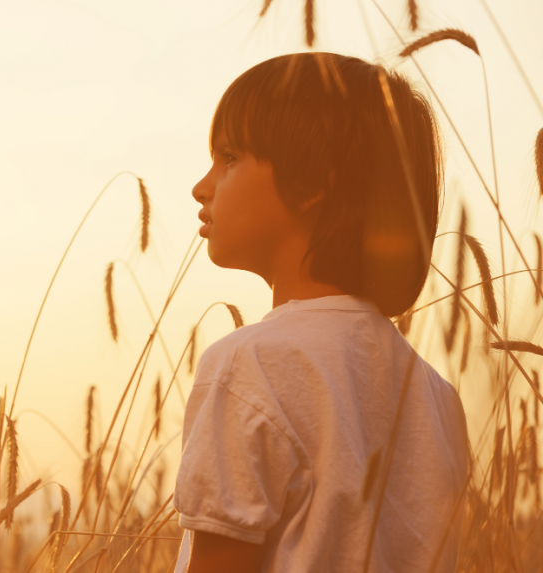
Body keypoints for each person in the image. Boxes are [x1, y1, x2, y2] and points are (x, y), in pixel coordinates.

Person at [175, 53, 469, 572]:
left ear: (312, 182)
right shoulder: (437, 398)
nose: (202, 186)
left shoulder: (249, 364)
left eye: (229, 158)